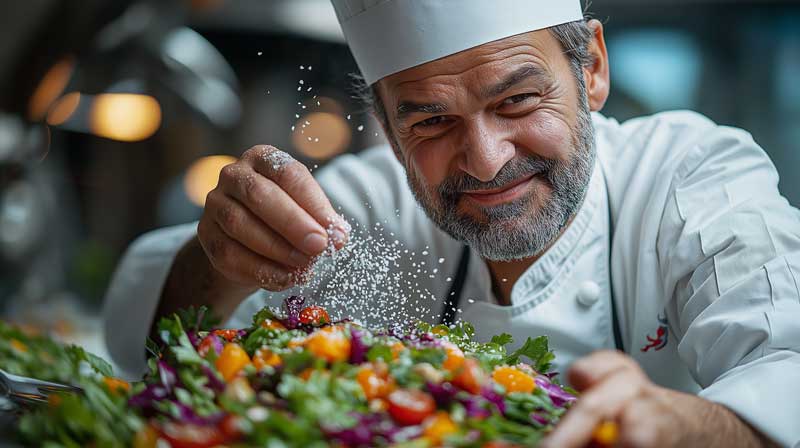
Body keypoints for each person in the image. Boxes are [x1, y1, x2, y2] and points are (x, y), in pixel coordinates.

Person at [104, 1, 800, 446]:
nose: (485, 158)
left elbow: (788, 367)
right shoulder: (364, 209)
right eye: (432, 121)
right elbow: (144, 344)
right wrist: (218, 257)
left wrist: (688, 429)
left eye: (520, 100)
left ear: (591, 68)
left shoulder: (689, 178)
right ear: (388, 126)